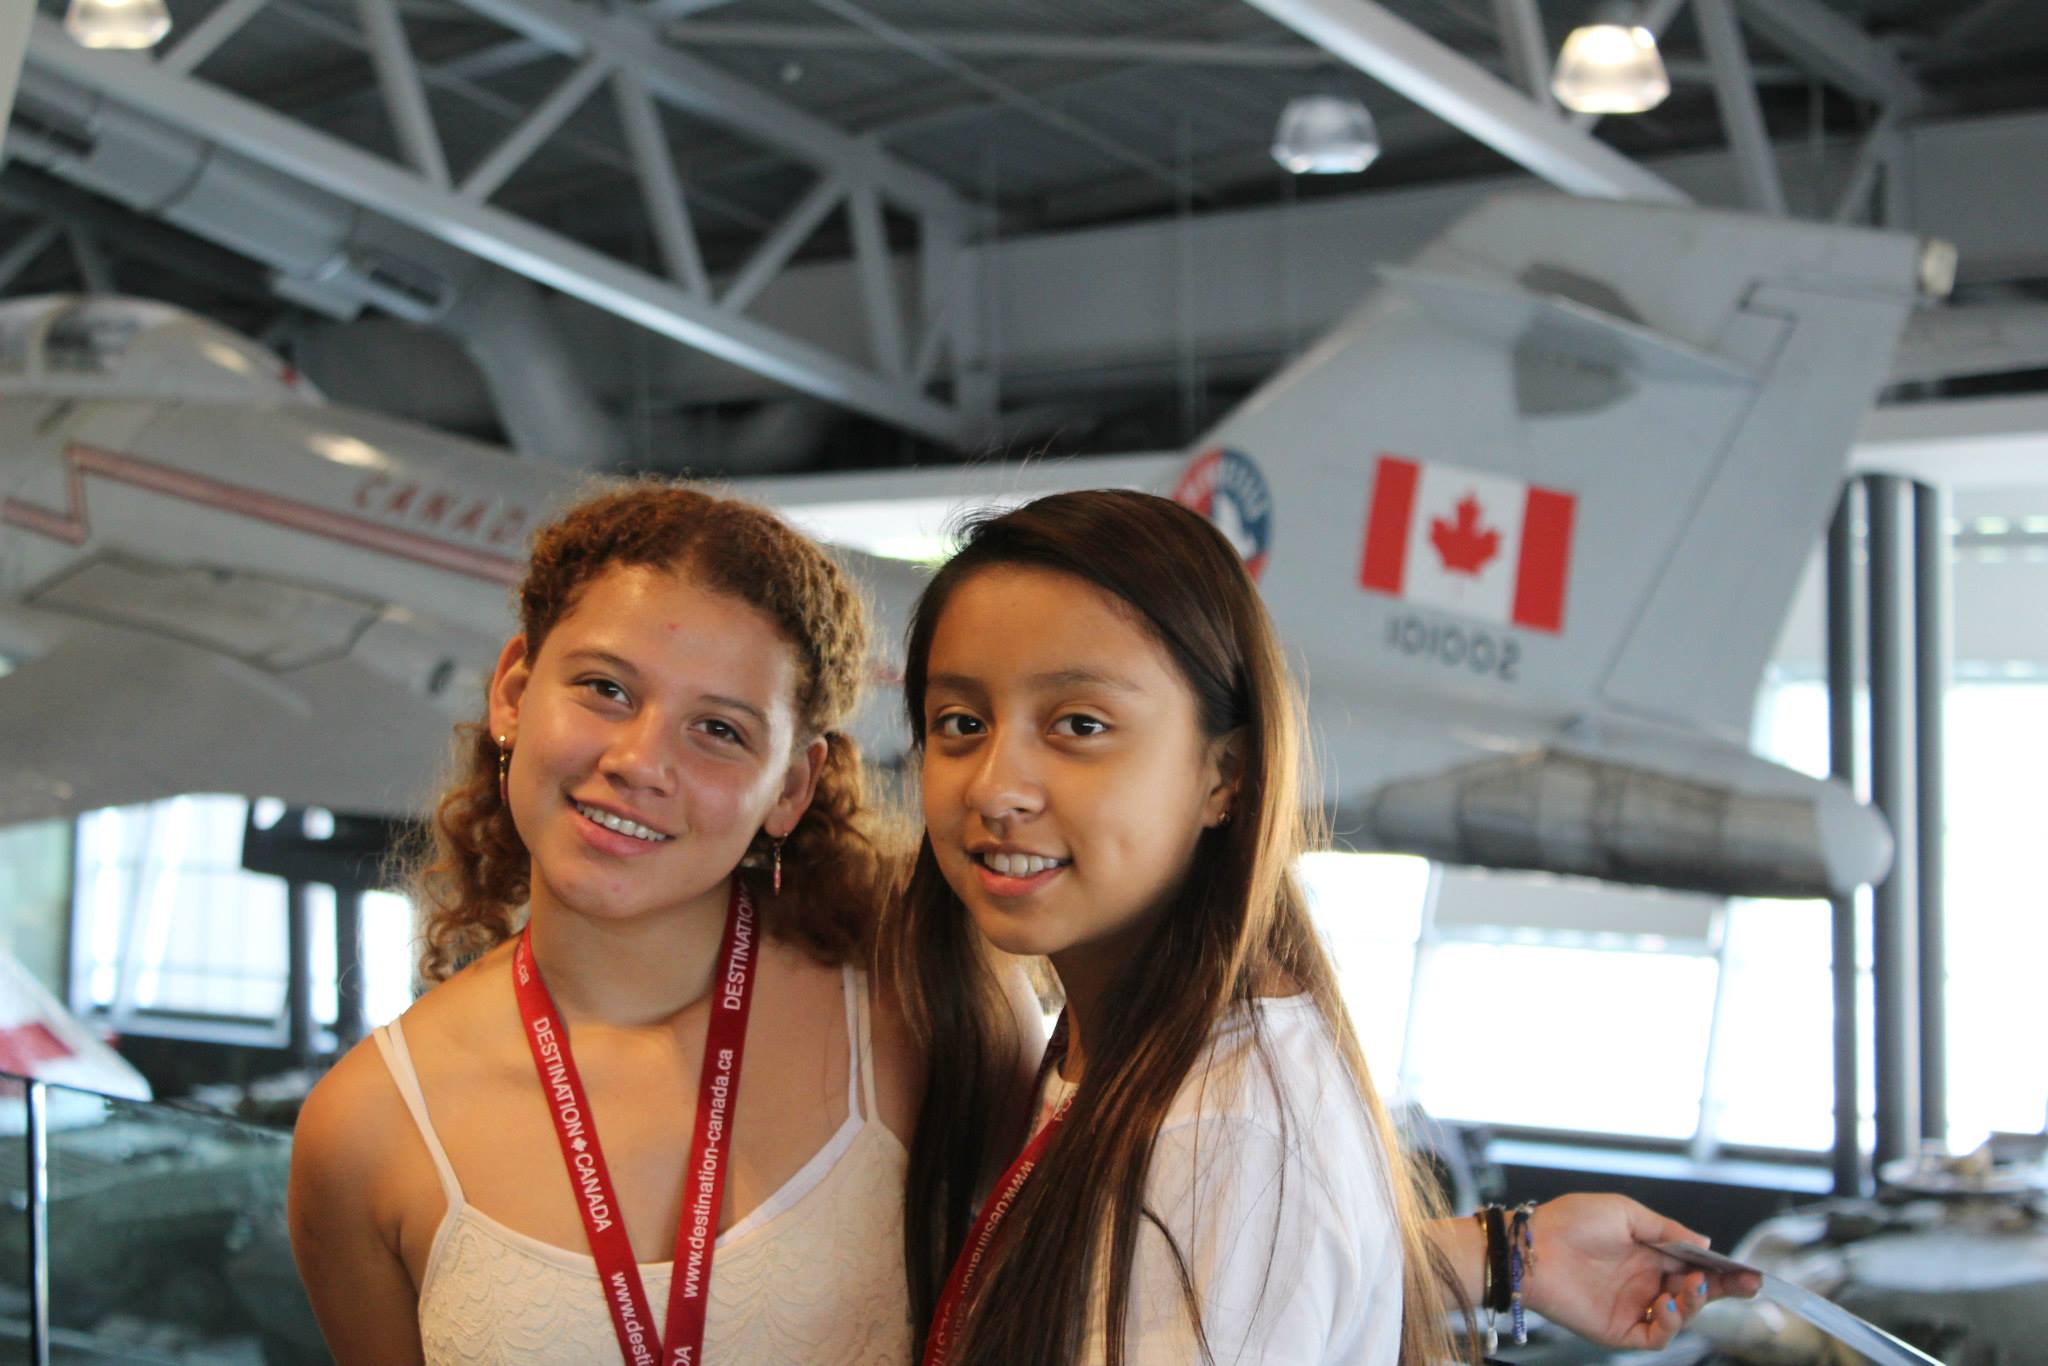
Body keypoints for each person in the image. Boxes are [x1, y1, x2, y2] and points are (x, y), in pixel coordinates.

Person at [886, 489, 1757, 1366]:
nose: (995, 787)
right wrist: (1498, 1256)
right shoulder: (1132, 1051)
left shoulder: (1222, 1134)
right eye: (961, 724)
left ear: (1227, 774)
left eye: (1080, 725)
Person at [287, 482, 992, 1366]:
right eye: (605, 689)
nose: (639, 762)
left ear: (790, 788)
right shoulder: (364, 1129)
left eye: (720, 731)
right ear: (512, 692)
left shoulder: (911, 1020)